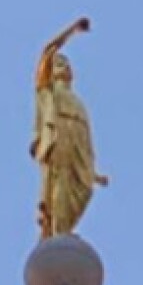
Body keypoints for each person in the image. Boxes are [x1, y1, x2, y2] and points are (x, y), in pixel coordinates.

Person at [30, 17, 109, 239]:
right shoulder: (48, 91)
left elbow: (85, 140)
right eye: (58, 63)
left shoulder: (79, 103)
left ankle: (61, 231)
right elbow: (48, 49)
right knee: (60, 184)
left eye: (66, 63)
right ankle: (57, 232)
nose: (63, 65)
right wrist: (73, 30)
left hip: (76, 152)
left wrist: (94, 173)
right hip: (58, 141)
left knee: (83, 191)